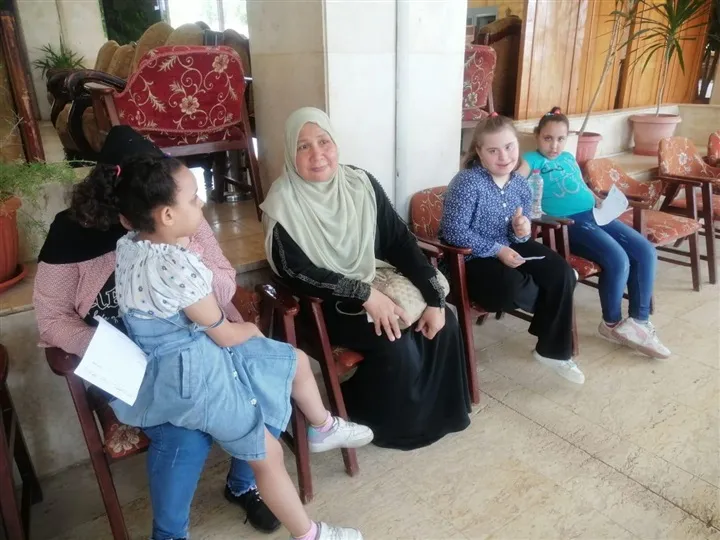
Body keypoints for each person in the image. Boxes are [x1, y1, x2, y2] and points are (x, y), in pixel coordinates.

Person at [34, 126, 369, 540]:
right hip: (130, 363)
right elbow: (52, 319)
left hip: (198, 341)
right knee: (187, 436)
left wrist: (187, 257)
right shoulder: (74, 233)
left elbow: (223, 282)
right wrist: (120, 347)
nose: (200, 204)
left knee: (264, 376)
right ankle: (171, 533)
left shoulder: (166, 223)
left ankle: (245, 483)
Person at [261, 107, 471, 450]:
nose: (317, 154)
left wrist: (433, 297)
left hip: (376, 281)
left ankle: (442, 416)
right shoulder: (282, 203)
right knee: (395, 341)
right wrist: (365, 294)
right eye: (303, 146)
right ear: (289, 152)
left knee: (444, 319)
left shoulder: (360, 183)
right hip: (326, 304)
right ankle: (385, 424)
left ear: (335, 143)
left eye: (324, 142)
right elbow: (295, 272)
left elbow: (399, 241)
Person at [440, 114, 584, 384]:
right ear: (479, 152)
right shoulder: (467, 182)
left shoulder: (520, 184)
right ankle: (557, 299)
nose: (504, 156)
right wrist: (497, 250)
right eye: (493, 150)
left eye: (509, 147)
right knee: (517, 288)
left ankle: (551, 352)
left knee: (562, 273)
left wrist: (522, 229)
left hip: (510, 245)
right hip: (469, 258)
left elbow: (521, 232)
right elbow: (454, 232)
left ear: (518, 145)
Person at [522, 107, 670, 359]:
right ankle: (611, 323)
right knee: (618, 258)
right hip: (569, 224)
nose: (554, 145)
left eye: (560, 138)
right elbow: (515, 183)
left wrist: (597, 198)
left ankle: (639, 321)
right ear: (537, 136)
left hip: (596, 214)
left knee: (645, 250)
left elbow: (581, 186)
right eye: (548, 138)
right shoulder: (531, 160)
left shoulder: (568, 158)